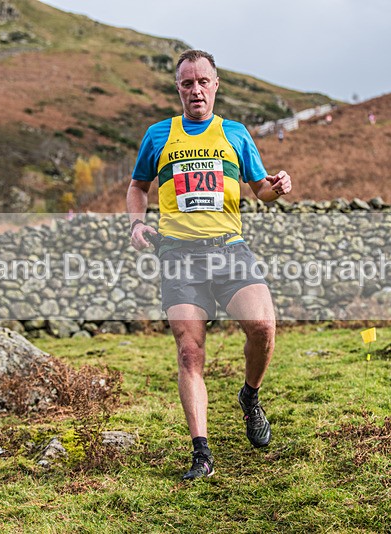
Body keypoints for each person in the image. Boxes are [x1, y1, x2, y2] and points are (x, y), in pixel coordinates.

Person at [127, 49, 292, 480]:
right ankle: (201, 453)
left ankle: (250, 397)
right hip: (178, 255)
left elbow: (261, 189)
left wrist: (279, 185)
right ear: (178, 88)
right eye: (187, 83)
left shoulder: (235, 134)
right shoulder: (159, 135)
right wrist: (136, 223)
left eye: (203, 81)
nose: (195, 90)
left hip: (229, 249)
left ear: (216, 85)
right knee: (189, 350)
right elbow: (137, 186)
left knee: (263, 326)